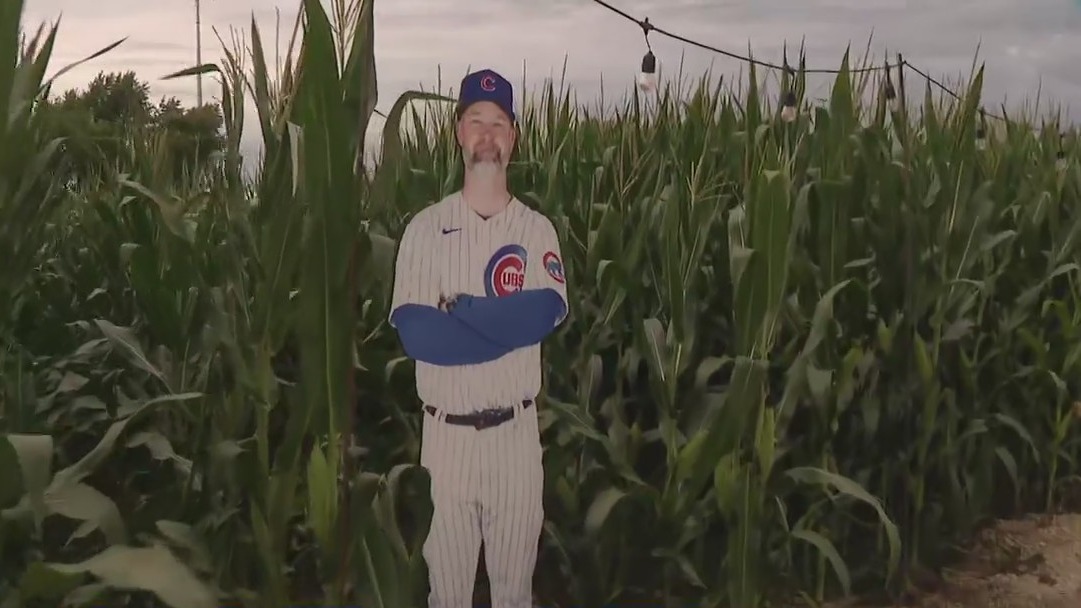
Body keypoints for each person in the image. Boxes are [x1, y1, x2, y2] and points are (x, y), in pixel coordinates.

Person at [387, 67, 569, 608]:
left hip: (516, 439)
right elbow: (421, 337)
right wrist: (504, 324)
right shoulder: (425, 228)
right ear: (458, 133)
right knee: (446, 594)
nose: (487, 135)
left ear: (514, 137)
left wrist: (462, 309)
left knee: (514, 594)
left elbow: (541, 314)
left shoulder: (535, 229)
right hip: (447, 443)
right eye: (476, 121)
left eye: (498, 124)